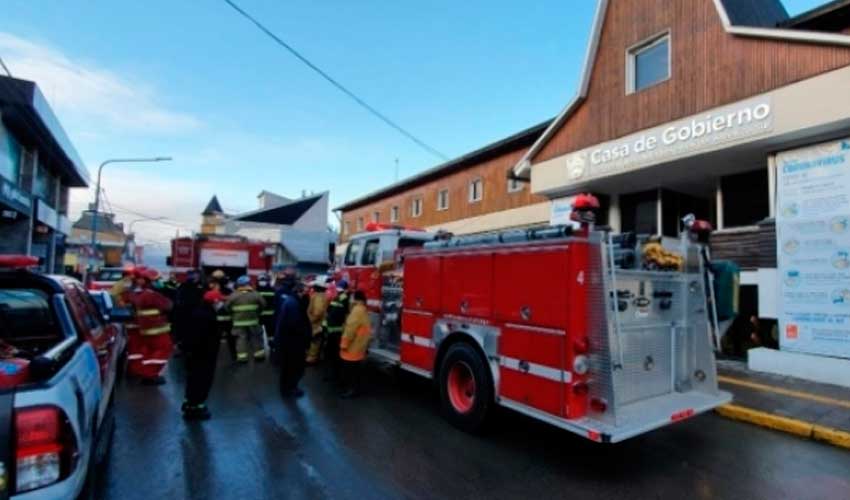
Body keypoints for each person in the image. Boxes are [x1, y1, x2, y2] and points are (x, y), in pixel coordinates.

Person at [122, 268, 174, 385]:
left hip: (143, 328)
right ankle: (149, 374)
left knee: (142, 351)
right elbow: (168, 305)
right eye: (156, 280)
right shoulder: (151, 295)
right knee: (163, 349)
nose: (158, 282)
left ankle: (138, 370)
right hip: (156, 328)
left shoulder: (133, 293)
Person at [181, 276, 222, 420]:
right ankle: (196, 407)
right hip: (204, 356)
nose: (220, 304)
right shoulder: (208, 317)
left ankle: (189, 403)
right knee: (202, 381)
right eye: (219, 301)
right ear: (214, 302)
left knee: (193, 380)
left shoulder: (198, 312)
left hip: (195, 355)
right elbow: (206, 338)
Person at [274, 274, 312, 398]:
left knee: (288, 368)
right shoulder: (293, 304)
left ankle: (286, 388)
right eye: (305, 290)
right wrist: (304, 339)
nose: (307, 292)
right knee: (294, 368)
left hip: (289, 343)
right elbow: (296, 326)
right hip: (293, 344)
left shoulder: (292, 301)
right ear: (299, 291)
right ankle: (290, 388)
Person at [225, 276, 267, 363]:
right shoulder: (255, 294)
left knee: (241, 339)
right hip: (253, 321)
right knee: (256, 337)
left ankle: (242, 357)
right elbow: (263, 305)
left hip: (238, 322)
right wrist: (257, 313)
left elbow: (226, 307)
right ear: (249, 283)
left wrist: (233, 314)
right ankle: (259, 356)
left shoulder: (233, 295)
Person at [339, 290, 372, 398]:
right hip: (359, 346)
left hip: (352, 348)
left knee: (350, 371)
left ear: (355, 298)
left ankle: (351, 390)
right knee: (356, 370)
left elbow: (350, 329)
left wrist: (344, 344)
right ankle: (356, 389)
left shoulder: (356, 310)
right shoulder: (363, 309)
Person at [323, 279, 350, 384]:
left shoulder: (338, 298)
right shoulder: (342, 298)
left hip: (333, 332)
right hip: (335, 332)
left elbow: (330, 314)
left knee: (332, 355)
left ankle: (333, 376)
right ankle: (333, 375)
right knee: (333, 355)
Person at [211, 270, 236, 362]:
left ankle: (213, 356)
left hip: (217, 320)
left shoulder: (214, 292)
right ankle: (234, 356)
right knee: (231, 339)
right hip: (229, 319)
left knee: (215, 339)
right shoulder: (230, 291)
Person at [305, 280, 329, 364]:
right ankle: (317, 356)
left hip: (316, 323)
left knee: (315, 340)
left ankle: (312, 358)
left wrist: (311, 320)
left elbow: (318, 312)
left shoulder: (318, 296)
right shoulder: (324, 296)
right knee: (319, 340)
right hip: (320, 322)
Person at [256, 273, 277, 342]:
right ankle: (271, 346)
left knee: (259, 334)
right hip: (270, 316)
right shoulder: (272, 290)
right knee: (270, 333)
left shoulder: (256, 290)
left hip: (259, 316)